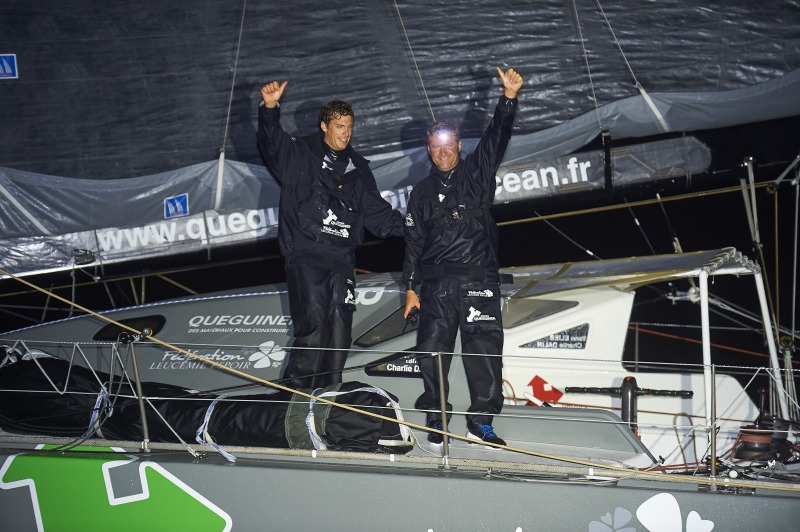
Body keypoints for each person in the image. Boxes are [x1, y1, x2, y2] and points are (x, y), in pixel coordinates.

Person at [402, 66, 523, 447]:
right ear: (429, 148)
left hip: (478, 282)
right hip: (436, 286)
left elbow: (496, 138)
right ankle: (436, 419)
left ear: (457, 146)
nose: (442, 152)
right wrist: (409, 287)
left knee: (484, 353)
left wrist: (508, 99)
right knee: (431, 353)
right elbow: (413, 242)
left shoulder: (478, 173)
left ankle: (481, 422)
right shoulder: (420, 193)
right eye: (435, 147)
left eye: (448, 146)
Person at [257, 80, 404, 390]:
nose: (345, 133)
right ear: (324, 125)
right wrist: (270, 109)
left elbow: (379, 217)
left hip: (342, 262)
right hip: (307, 257)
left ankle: (325, 409)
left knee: (338, 337)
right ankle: (294, 409)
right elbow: (271, 144)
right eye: (339, 126)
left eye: (349, 127)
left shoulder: (358, 168)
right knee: (313, 329)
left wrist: (417, 226)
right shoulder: (299, 153)